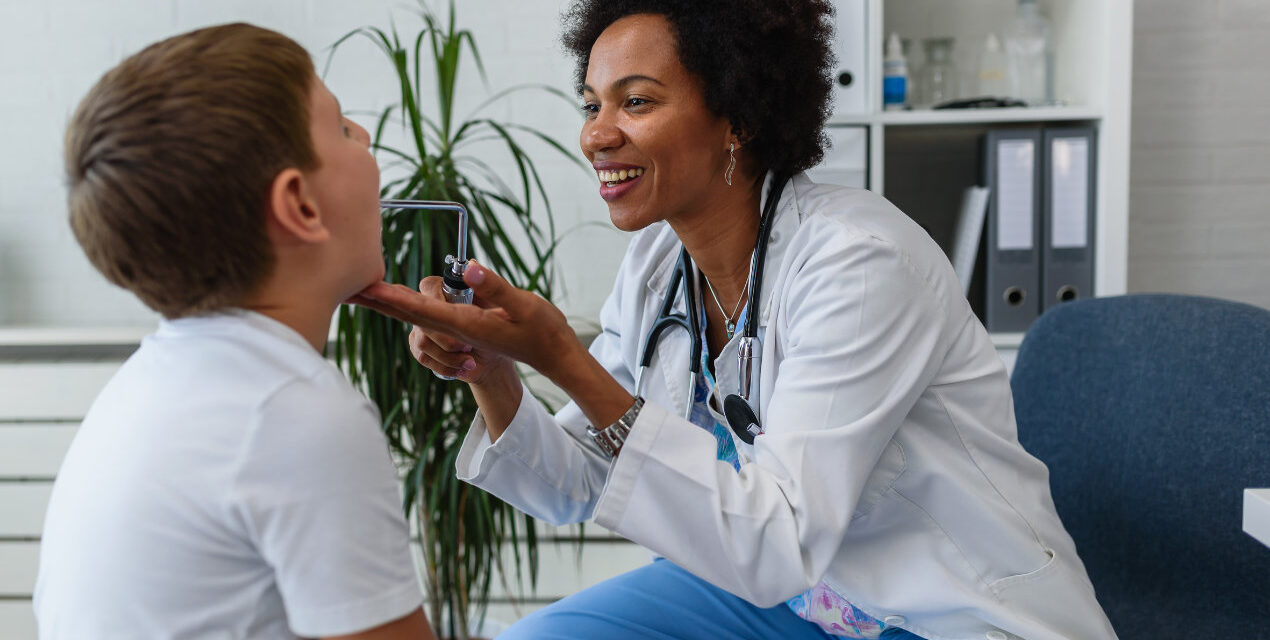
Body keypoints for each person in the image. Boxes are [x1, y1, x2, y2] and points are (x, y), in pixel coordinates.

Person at [352, 1, 1117, 639]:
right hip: (786, 601)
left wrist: (563, 355)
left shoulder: (859, 264)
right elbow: (580, 481)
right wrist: (493, 369)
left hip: (933, 608)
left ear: (737, 118)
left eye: (637, 101)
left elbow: (777, 539)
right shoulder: (659, 264)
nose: (596, 132)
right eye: (592, 103)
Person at [34, 23, 436, 640]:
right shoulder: (297, 414)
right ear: (300, 206)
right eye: (341, 128)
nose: (367, 137)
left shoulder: (153, 385)